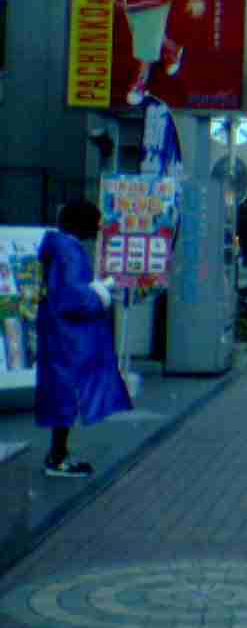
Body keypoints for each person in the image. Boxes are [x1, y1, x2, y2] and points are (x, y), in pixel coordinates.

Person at [35, 199, 130, 478]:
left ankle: (58, 454)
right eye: (95, 222)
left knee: (60, 396)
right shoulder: (70, 252)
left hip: (56, 335)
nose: (98, 229)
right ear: (81, 224)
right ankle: (58, 458)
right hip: (69, 339)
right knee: (66, 397)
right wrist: (103, 290)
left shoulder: (57, 248)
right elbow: (73, 299)